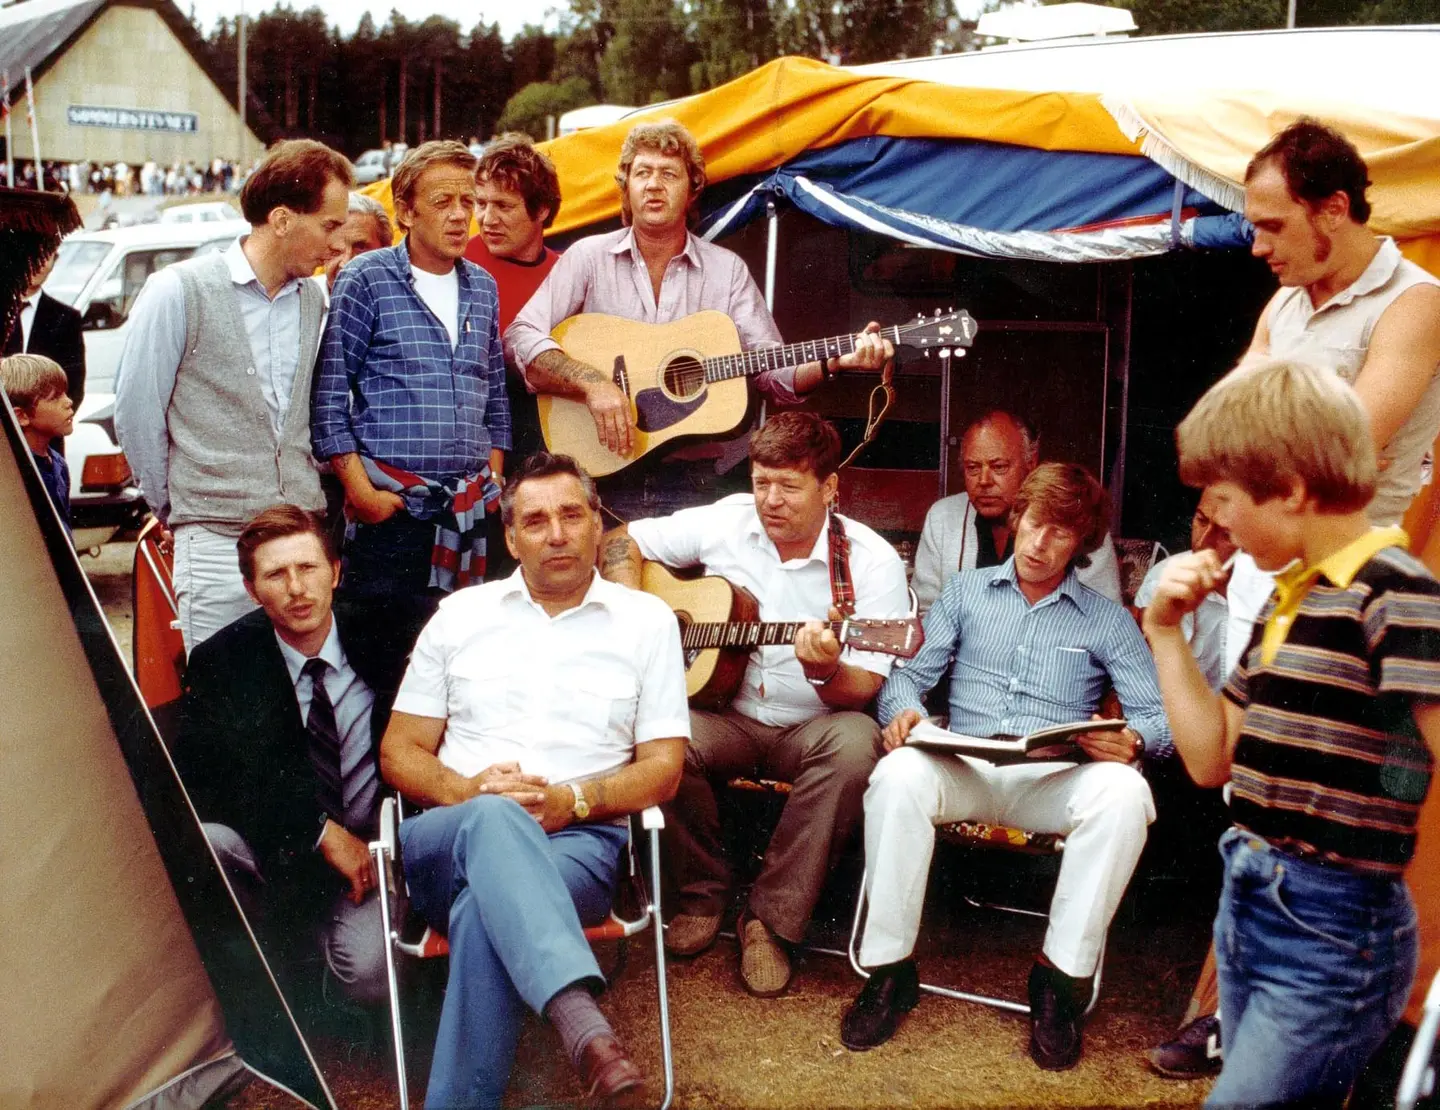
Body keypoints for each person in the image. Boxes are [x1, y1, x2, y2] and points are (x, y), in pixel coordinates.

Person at [1152, 116, 1440, 1081]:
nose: (1258, 246)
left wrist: (1246, 472)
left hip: (1353, 572)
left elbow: (1341, 436)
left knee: (1338, 803)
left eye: (1273, 227)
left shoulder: (1415, 302)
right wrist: (1225, 514)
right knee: (1251, 782)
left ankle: (1292, 1024)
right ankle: (1231, 1008)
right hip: (1270, 569)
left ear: (1337, 212)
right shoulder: (1282, 307)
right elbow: (1227, 427)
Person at [379, 452, 689, 1108]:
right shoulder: (461, 616)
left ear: (598, 524)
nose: (556, 534)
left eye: (572, 515)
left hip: (577, 843)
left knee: (479, 913)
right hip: (450, 837)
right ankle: (584, 1028)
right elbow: (400, 751)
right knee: (495, 817)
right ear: (511, 535)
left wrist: (573, 800)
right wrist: (469, 794)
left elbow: (664, 768)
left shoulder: (647, 623)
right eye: (536, 520)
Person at [842, 462, 1170, 1070]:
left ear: (1082, 544)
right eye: (1034, 523)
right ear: (1016, 519)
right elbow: (908, 678)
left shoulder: (1106, 619)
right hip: (964, 765)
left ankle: (1059, 982)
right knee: (896, 775)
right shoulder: (966, 593)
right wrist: (907, 713)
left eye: (1061, 534)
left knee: (1124, 795)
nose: (1041, 544)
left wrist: (1135, 741)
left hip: (1049, 779)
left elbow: (1159, 717)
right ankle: (890, 970)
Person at [600, 412, 911, 997]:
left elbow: (865, 686)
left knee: (854, 746)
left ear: (829, 488)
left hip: (813, 726)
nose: (770, 500)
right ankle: (701, 893)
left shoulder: (870, 563)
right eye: (760, 481)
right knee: (662, 737)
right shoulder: (725, 522)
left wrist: (825, 671)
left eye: (789, 486)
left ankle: (769, 921)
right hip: (725, 716)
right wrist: (638, 612)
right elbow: (622, 539)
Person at [506, 119, 891, 520]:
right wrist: (593, 384)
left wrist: (835, 360)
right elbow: (520, 334)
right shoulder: (587, 258)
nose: (654, 185)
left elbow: (773, 372)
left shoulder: (727, 271)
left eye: (668, 174)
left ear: (692, 190)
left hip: (702, 483)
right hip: (599, 476)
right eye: (642, 173)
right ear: (626, 187)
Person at [114, 138, 352, 653]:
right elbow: (136, 415)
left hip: (300, 539)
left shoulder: (315, 299)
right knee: (225, 709)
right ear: (283, 219)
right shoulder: (179, 289)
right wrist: (181, 508)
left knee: (303, 700)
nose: (337, 244)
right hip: (218, 547)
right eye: (330, 226)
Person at [172, 505, 413, 1010]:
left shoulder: (389, 634)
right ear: (251, 588)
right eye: (276, 575)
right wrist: (318, 831)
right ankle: (263, 970)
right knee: (206, 843)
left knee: (367, 978)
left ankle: (314, 951)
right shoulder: (223, 661)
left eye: (308, 568)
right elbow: (208, 786)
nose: (297, 588)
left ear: (336, 572)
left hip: (373, 854)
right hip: (276, 849)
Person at [313, 140, 510, 605]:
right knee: (389, 658)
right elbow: (328, 400)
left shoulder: (483, 286)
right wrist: (364, 497)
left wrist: (494, 483)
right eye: (443, 202)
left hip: (471, 515)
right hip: (393, 513)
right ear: (405, 211)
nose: (460, 216)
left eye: (468, 202)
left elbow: (496, 399)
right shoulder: (367, 278)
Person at [912, 410, 1122, 613]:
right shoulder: (942, 516)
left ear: (1030, 464)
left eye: (999, 467)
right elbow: (924, 612)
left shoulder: (1077, 520)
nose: (984, 481)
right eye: (973, 468)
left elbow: (1105, 616)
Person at [466, 133, 564, 461]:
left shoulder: (568, 273)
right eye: (481, 203)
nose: (487, 219)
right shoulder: (458, 263)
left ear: (542, 211)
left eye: (503, 206)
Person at [3, 247, 86, 422]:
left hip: (43, 437)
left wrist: (40, 427)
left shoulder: (66, 318)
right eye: (33, 253)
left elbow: (73, 386)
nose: (39, 262)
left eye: (46, 255)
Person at [2, 353, 73, 532]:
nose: (69, 402)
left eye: (65, 393)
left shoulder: (58, 464)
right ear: (22, 416)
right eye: (55, 397)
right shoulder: (13, 476)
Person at [321, 192, 393, 296]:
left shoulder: (406, 302)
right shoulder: (300, 298)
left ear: (385, 251)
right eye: (336, 250)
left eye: (361, 247)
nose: (345, 264)